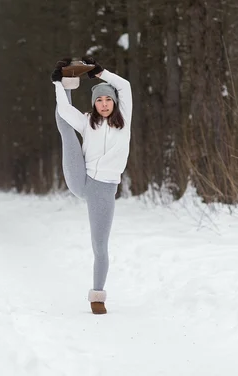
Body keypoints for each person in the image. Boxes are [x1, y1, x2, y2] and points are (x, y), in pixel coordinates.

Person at [51, 56, 132, 315]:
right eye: (99, 100)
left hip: (103, 189)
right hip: (81, 177)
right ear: (94, 104)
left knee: (100, 245)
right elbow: (64, 112)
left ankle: (98, 296)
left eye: (108, 99)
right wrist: (58, 84)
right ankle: (67, 82)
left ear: (114, 102)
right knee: (66, 126)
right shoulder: (88, 122)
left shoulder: (125, 120)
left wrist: (100, 72)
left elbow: (125, 86)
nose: (104, 104)